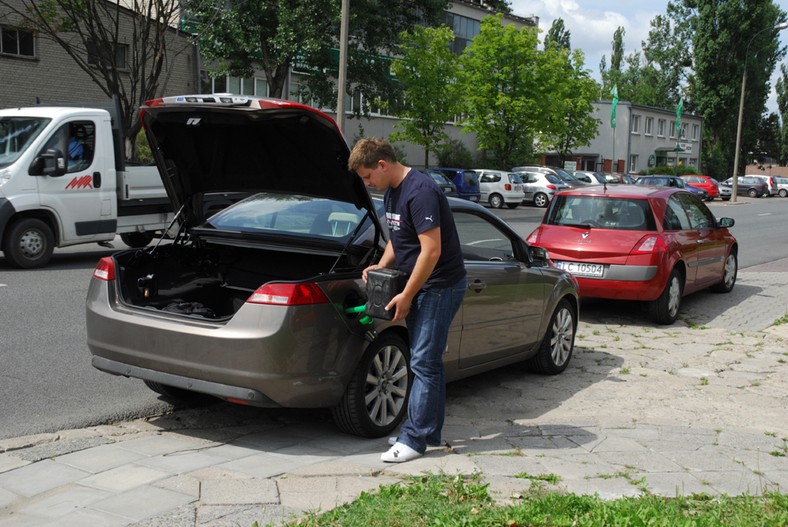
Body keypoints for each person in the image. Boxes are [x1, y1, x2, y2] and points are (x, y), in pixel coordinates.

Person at [348, 138, 466, 463]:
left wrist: (407, 294)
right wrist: (382, 265)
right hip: (422, 285)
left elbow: (432, 250)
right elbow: (399, 238)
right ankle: (428, 432)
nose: (367, 183)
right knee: (428, 362)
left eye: (368, 176)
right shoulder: (391, 191)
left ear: (382, 165)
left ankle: (413, 440)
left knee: (423, 362)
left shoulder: (420, 191)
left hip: (441, 286)